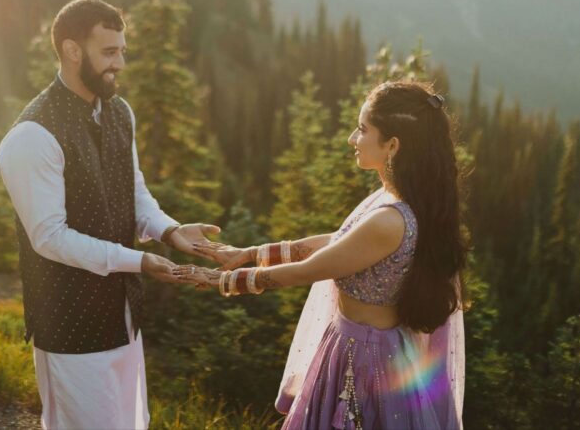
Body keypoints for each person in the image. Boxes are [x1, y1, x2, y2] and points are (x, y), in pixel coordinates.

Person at [179, 80, 467, 429]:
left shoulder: (390, 220)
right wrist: (249, 253)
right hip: (357, 347)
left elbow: (308, 270)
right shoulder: (394, 202)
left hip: (367, 361)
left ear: (392, 145)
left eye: (362, 130)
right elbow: (339, 241)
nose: (352, 139)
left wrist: (221, 281)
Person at [0, 0, 221, 429]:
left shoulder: (120, 113)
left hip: (123, 319)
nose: (119, 63)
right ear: (71, 50)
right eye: (109, 52)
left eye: (122, 51)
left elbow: (134, 195)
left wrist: (170, 231)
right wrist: (138, 261)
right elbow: (49, 237)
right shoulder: (32, 135)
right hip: (69, 326)